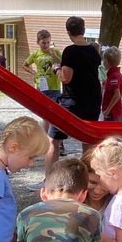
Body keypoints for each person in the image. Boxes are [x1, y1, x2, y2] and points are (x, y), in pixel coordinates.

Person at [45, 17, 102, 174]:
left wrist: (57, 68)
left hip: (73, 101)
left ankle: (49, 178)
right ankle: (88, 177)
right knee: (88, 141)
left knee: (53, 140)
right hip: (93, 100)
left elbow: (66, 77)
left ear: (68, 32)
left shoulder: (70, 51)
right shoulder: (93, 50)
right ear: (83, 30)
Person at [100, 46, 122, 122]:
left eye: (104, 60)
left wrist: (107, 110)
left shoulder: (114, 76)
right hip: (113, 112)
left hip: (112, 113)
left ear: (107, 61)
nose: (103, 62)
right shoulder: (113, 75)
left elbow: (117, 95)